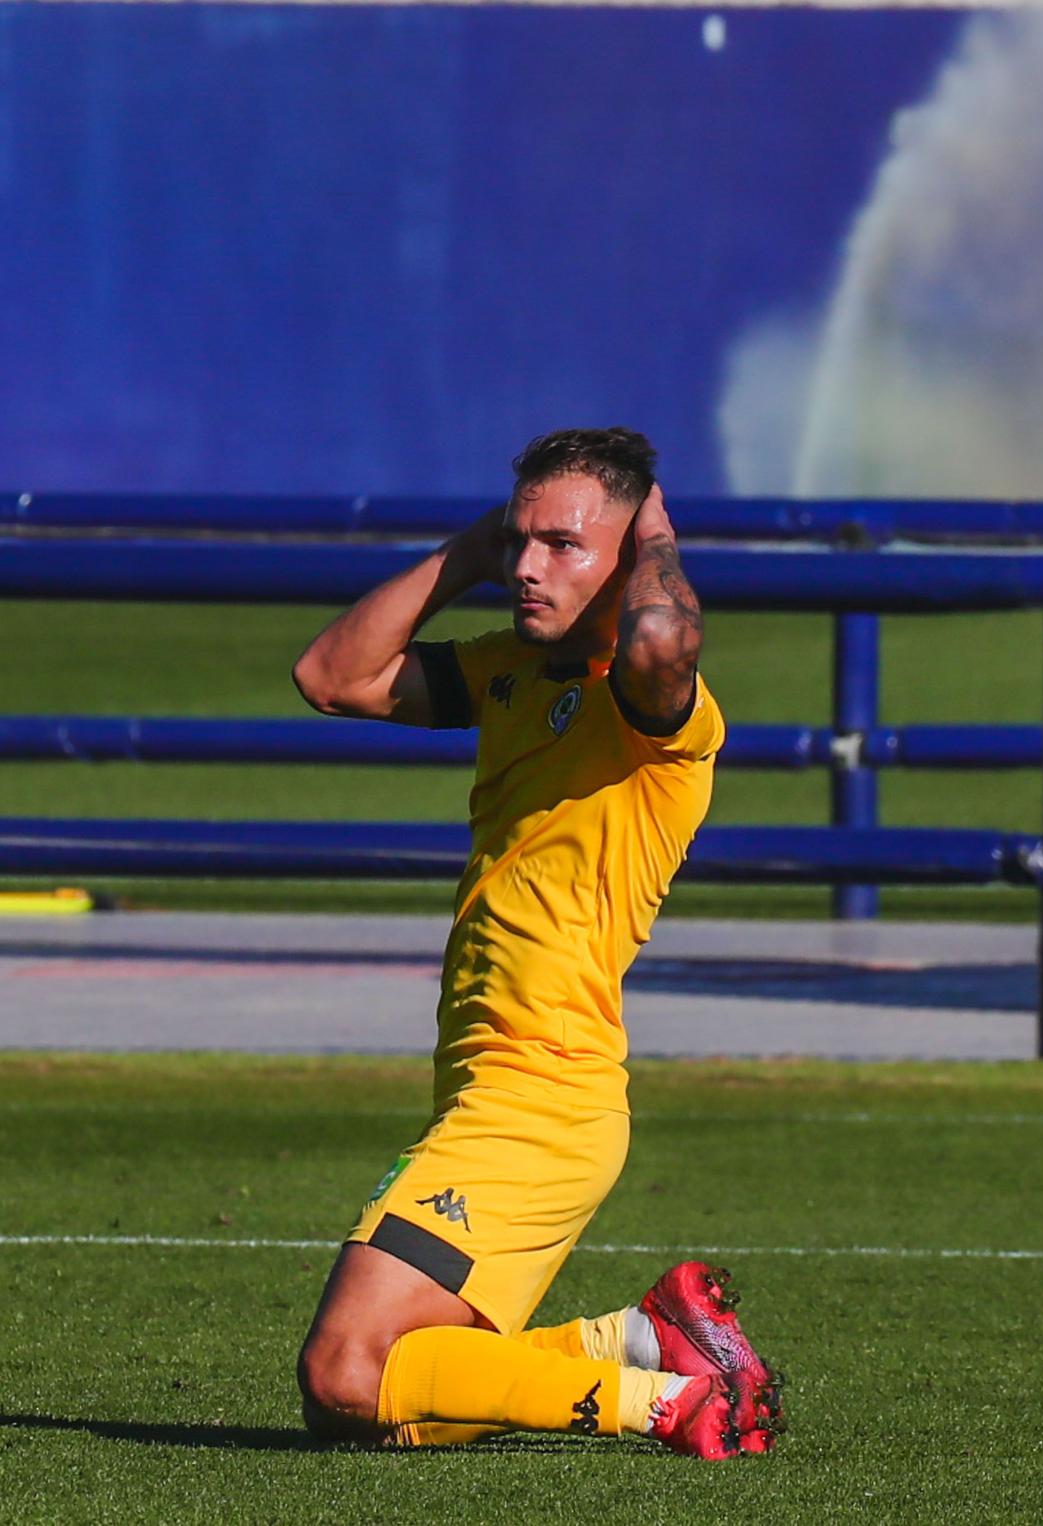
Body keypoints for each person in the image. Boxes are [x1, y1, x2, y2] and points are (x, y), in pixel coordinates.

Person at [290, 428, 781, 1457]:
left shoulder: (650, 707)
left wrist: (651, 533)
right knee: (381, 1399)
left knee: (347, 1370)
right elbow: (332, 674)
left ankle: (675, 1406)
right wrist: (469, 550)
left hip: (542, 1089)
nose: (526, 565)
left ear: (631, 549)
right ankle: (641, 1342)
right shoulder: (511, 669)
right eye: (519, 540)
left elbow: (656, 643)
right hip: (493, 1085)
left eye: (561, 543)